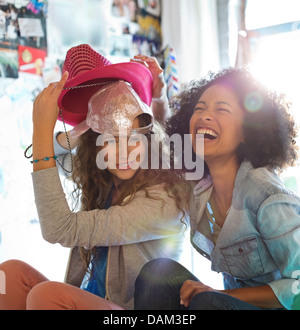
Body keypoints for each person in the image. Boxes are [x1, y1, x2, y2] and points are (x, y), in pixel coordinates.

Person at [0, 44, 189, 310]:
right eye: (111, 140)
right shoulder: (103, 177)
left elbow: (58, 229)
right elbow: (55, 157)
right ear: (96, 146)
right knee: (7, 275)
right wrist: (85, 124)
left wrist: (41, 131)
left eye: (134, 138)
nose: (124, 151)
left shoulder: (163, 200)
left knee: (46, 296)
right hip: (97, 298)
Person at [134, 68, 300, 310]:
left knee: (206, 301)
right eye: (199, 108)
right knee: (158, 273)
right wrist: (158, 98)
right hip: (225, 302)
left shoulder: (267, 196)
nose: (205, 116)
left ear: (246, 132)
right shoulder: (201, 185)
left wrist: (221, 295)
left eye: (221, 109)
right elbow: (164, 149)